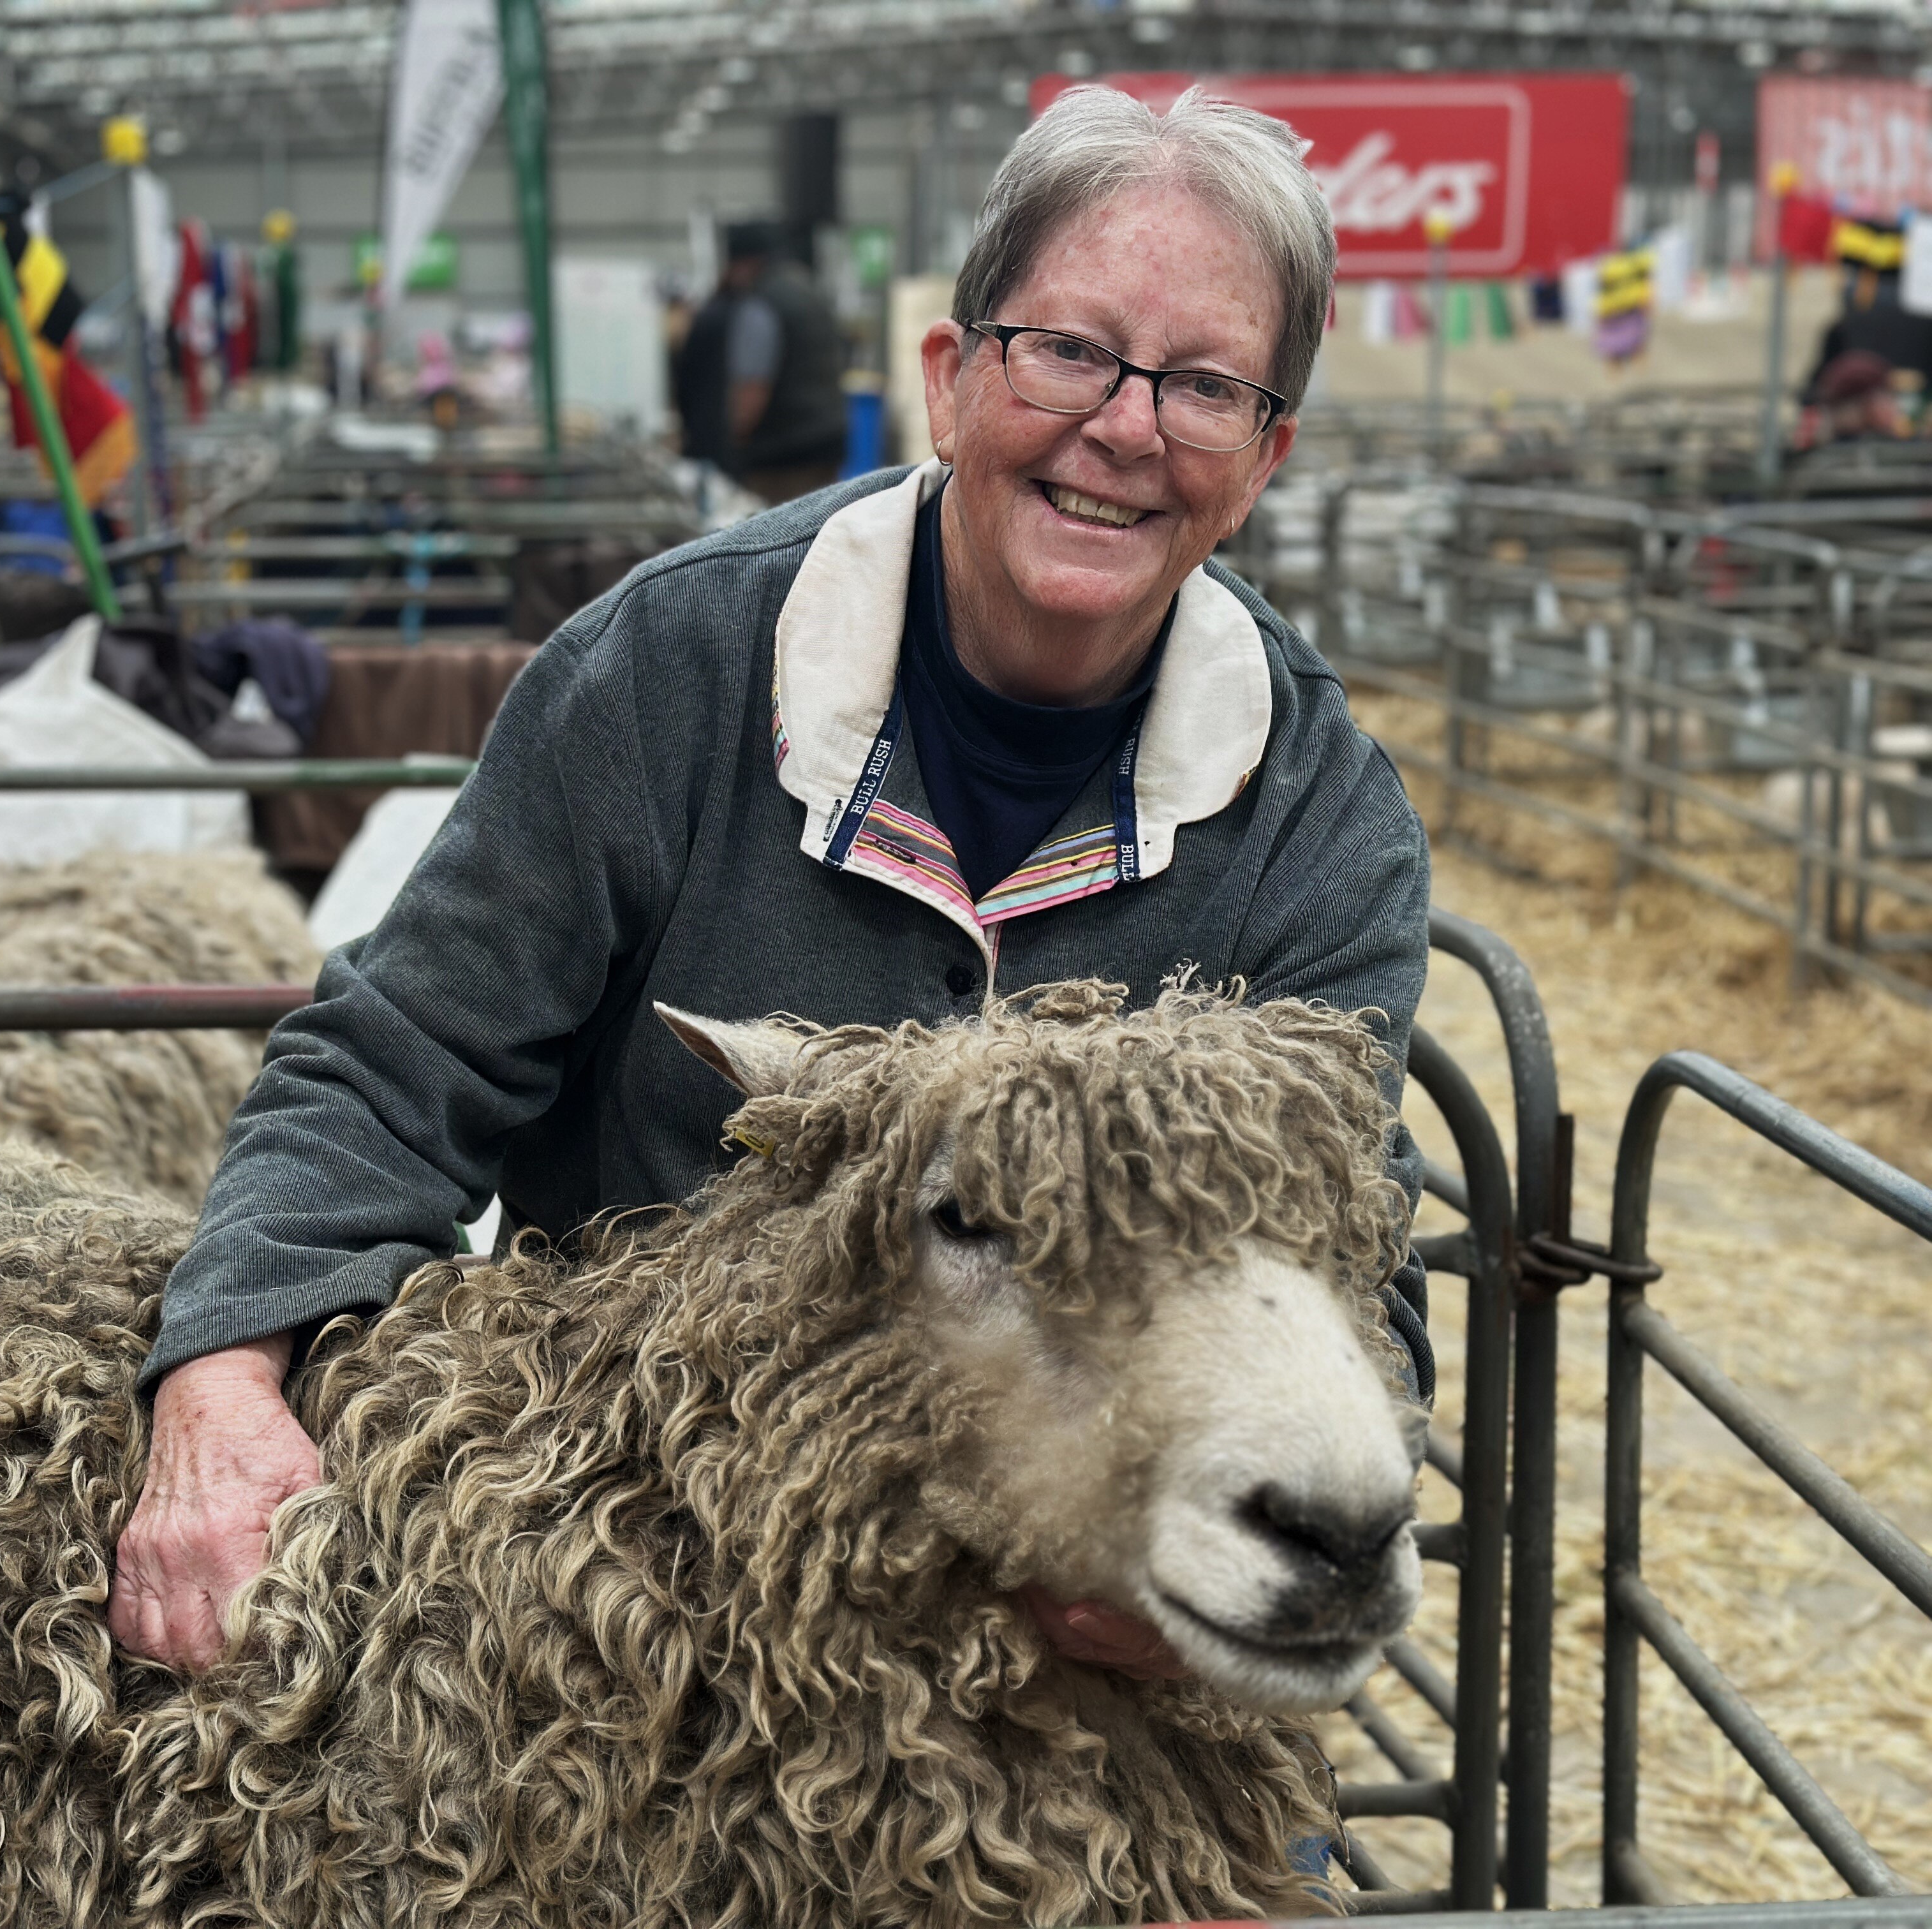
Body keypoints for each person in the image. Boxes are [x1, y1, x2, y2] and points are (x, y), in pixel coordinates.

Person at [112, 84, 1434, 1681]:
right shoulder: (666, 674)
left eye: (1206, 385)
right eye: (1072, 351)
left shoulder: (1316, 819)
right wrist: (223, 1383)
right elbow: (395, 1069)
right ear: (952, 382)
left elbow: (1348, 1262)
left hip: (1111, 1617)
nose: (1128, 427)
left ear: (1265, 456)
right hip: (646, 1571)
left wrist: (1161, 1550)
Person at [672, 220, 849, 502]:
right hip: (826, 442)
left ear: (743, 263)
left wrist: (732, 447)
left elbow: (752, 387)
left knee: (777, 538)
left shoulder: (761, 303)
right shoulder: (808, 288)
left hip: (781, 457)